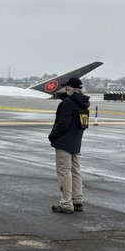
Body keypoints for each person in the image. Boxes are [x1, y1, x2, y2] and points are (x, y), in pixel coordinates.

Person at [49, 76, 90, 213]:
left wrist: (52, 136)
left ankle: (66, 203)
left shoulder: (67, 103)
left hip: (64, 143)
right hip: (76, 142)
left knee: (64, 172)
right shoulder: (84, 104)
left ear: (70, 88)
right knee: (75, 171)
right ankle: (77, 200)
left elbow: (62, 124)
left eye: (67, 87)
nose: (65, 89)